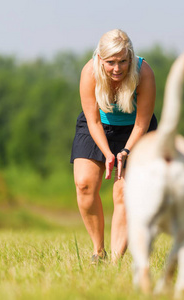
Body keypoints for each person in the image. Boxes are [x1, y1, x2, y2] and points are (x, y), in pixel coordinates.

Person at [70, 29, 157, 264]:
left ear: (130, 57)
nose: (117, 69)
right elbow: (93, 120)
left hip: (135, 131)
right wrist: (108, 153)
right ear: (100, 59)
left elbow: (143, 122)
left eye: (122, 62)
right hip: (98, 128)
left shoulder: (143, 72)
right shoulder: (89, 72)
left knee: (124, 192)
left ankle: (115, 262)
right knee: (84, 185)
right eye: (110, 63)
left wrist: (126, 152)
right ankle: (98, 252)